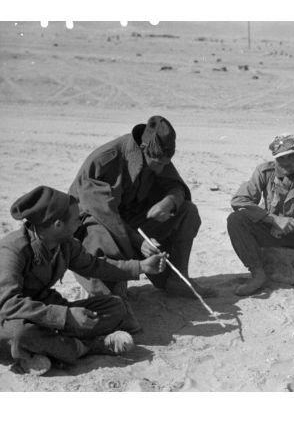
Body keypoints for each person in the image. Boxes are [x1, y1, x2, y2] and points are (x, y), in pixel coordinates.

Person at [0, 186, 167, 375]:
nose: (79, 224)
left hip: (46, 307)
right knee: (20, 335)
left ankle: (46, 349)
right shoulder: (12, 250)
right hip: (10, 318)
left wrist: (142, 267)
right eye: (75, 220)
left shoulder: (66, 244)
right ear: (57, 224)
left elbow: (96, 266)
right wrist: (66, 316)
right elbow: (8, 304)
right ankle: (88, 346)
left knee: (115, 307)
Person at [69, 116, 213, 299]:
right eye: (158, 164)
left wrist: (169, 201)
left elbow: (176, 188)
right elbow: (106, 216)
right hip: (97, 226)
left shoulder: (156, 151)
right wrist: (140, 242)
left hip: (132, 224)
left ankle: (177, 280)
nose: (161, 169)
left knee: (187, 212)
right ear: (143, 150)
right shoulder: (104, 161)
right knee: (102, 239)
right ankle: (105, 293)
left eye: (165, 164)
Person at [227, 134, 294, 303]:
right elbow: (239, 200)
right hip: (271, 231)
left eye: (291, 156)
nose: (286, 162)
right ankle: (257, 274)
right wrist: (272, 220)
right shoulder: (264, 171)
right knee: (236, 219)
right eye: (281, 158)